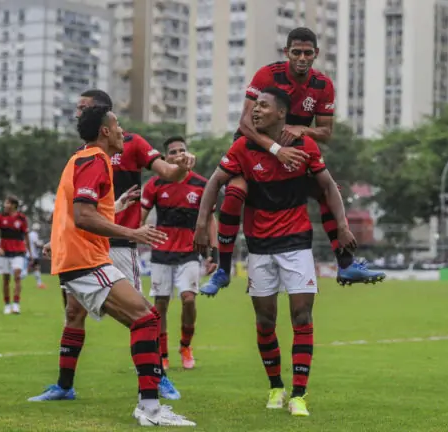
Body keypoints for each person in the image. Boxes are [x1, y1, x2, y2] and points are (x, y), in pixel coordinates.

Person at [194, 87, 358, 417]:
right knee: (265, 320)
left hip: (296, 243)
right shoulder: (243, 147)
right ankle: (275, 386)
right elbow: (214, 182)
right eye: (254, 106)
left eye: (263, 106)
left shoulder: (305, 145)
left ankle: (299, 394)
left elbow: (328, 185)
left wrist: (342, 226)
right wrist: (201, 223)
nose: (255, 111)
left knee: (302, 316)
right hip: (259, 247)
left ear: (281, 113)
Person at [32, 105, 195, 427]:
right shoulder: (95, 159)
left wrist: (61, 240)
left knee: (144, 319)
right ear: (105, 131)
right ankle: (149, 408)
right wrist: (133, 232)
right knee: (146, 318)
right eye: (117, 124)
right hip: (85, 260)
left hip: (80, 258)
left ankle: (149, 405)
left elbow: (70, 212)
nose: (122, 130)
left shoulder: (83, 158)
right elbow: (83, 216)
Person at [200, 27, 384, 295]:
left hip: (293, 152)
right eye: (296, 52)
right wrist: (276, 149)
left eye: (308, 53)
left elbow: (326, 132)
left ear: (316, 54)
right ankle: (223, 270)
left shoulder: (323, 85)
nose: (302, 58)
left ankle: (345, 264)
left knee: (327, 190)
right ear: (286, 52)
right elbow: (245, 123)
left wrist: (302, 129)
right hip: (253, 146)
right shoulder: (267, 75)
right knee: (234, 192)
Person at [140, 137, 218, 371]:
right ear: (165, 158)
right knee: (161, 304)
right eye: (173, 152)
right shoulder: (154, 184)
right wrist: (136, 233)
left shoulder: (202, 184)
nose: (178, 154)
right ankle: (162, 354)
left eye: (182, 150)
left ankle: (185, 346)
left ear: (188, 154)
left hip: (189, 252)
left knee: (189, 299)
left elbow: (210, 220)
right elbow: (140, 218)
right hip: (161, 253)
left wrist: (214, 253)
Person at [0, 196, 31, 315]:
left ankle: (16, 304)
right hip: (5, 252)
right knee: (6, 279)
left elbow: (26, 236)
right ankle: (7, 305)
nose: (5, 205)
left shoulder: (21, 218)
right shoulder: (1, 217)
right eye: (5, 203)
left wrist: (30, 252)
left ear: (14, 205)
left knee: (17, 276)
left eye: (7, 203)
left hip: (19, 251)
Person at [28, 223, 46, 289]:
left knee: (36, 268)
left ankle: (39, 283)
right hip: (33, 255)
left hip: (30, 254)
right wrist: (43, 245)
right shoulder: (34, 234)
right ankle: (39, 284)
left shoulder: (30, 234)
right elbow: (36, 244)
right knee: (35, 268)